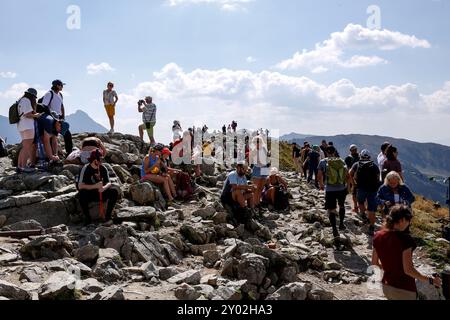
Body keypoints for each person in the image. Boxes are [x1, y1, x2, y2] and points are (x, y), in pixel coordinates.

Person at [372, 205, 441, 300]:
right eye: (408, 221)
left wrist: (390, 269)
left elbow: (374, 263)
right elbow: (408, 270)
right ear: (403, 220)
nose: (409, 224)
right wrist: (430, 280)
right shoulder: (406, 240)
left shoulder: (377, 235)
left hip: (387, 286)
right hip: (404, 289)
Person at [77, 149, 119, 226]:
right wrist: (94, 186)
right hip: (89, 193)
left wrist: (104, 188)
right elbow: (80, 186)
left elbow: (108, 182)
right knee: (82, 194)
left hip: (100, 192)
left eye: (101, 159)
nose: (101, 161)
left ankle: (107, 216)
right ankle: (88, 218)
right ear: (94, 160)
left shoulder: (103, 168)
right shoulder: (85, 168)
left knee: (114, 191)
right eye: (99, 159)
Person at [317, 146, 350, 237]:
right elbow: (347, 175)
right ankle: (341, 224)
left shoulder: (323, 162)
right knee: (342, 205)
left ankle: (334, 229)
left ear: (327, 152)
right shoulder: (341, 161)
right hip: (341, 188)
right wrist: (348, 186)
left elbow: (319, 175)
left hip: (330, 189)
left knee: (331, 209)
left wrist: (321, 185)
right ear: (334, 152)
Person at [349, 150, 380, 236]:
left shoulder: (357, 164)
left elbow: (349, 173)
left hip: (361, 188)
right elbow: (378, 178)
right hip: (373, 190)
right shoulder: (374, 166)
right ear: (369, 157)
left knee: (361, 202)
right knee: (371, 209)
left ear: (360, 156)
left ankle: (363, 215)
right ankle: (372, 227)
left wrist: (353, 183)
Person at [41, 80, 73, 154]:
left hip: (59, 118)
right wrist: (52, 117)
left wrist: (63, 116)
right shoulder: (49, 94)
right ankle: (52, 155)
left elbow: (62, 106)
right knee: (52, 136)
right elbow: (44, 106)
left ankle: (69, 152)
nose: (62, 87)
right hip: (51, 118)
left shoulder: (60, 94)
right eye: (61, 85)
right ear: (57, 85)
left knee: (67, 133)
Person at [16, 88, 42, 173]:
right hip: (28, 126)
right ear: (32, 96)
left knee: (24, 147)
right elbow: (27, 114)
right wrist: (37, 115)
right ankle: (23, 167)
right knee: (27, 147)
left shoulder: (21, 100)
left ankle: (19, 166)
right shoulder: (27, 101)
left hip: (21, 126)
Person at [249, 136, 269, 208]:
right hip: (257, 168)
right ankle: (254, 203)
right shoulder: (254, 150)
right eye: (255, 142)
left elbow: (266, 159)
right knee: (256, 188)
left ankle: (258, 202)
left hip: (264, 168)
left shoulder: (264, 149)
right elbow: (251, 160)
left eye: (258, 141)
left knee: (261, 187)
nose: (257, 143)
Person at [345, 144, 360, 214]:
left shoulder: (350, 157)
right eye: (353, 150)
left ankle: (356, 206)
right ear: (350, 150)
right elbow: (348, 167)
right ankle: (356, 205)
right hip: (352, 175)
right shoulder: (350, 158)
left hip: (356, 176)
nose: (354, 151)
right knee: (353, 190)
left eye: (355, 150)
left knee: (355, 191)